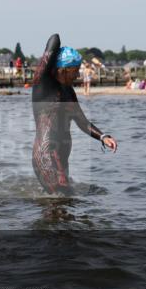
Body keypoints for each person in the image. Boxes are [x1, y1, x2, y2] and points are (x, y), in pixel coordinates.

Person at [31, 34, 118, 194]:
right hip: (47, 155)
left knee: (62, 208)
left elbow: (82, 121)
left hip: (61, 159)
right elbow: (54, 40)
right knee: (62, 204)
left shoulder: (68, 91)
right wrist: (58, 53)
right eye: (75, 71)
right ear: (63, 70)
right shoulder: (43, 84)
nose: (78, 75)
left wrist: (103, 136)